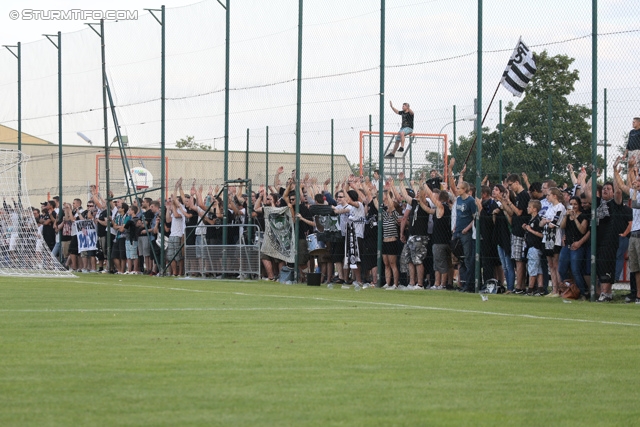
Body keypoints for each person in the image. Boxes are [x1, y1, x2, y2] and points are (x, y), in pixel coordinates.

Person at [558, 196, 590, 299]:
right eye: (571, 204)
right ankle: (571, 288)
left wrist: (575, 217)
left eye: (575, 204)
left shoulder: (583, 216)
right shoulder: (567, 216)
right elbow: (562, 226)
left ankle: (584, 292)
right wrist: (566, 216)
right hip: (567, 245)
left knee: (575, 269)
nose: (573, 206)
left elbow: (582, 230)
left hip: (577, 246)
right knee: (562, 269)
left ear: (579, 205)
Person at [523, 200, 545, 296]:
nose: (527, 208)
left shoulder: (537, 220)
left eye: (529, 207)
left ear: (535, 209)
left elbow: (541, 235)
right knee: (538, 268)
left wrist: (530, 230)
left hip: (535, 247)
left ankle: (530, 289)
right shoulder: (531, 219)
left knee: (532, 268)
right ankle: (540, 289)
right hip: (531, 246)